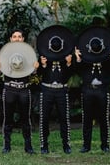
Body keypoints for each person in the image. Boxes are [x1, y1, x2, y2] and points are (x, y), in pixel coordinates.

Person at [0, 29, 39, 154]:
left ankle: (28, 146)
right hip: (9, 89)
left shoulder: (29, 53)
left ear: (23, 39)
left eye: (19, 36)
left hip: (24, 89)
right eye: (14, 36)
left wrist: (35, 68)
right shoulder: (4, 53)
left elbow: (33, 72)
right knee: (8, 119)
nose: (17, 38)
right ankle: (7, 146)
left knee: (26, 119)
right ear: (11, 39)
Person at [74, 26, 110, 153]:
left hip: (103, 90)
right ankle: (86, 146)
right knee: (87, 119)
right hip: (87, 90)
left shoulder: (107, 55)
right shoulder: (85, 55)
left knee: (104, 119)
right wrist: (78, 58)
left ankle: (105, 145)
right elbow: (77, 69)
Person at [36, 25, 75, 154]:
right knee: (44, 118)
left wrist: (69, 63)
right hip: (46, 90)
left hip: (62, 90)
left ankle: (66, 145)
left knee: (64, 118)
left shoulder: (66, 58)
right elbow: (39, 73)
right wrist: (42, 65)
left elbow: (70, 74)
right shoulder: (44, 56)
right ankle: (44, 145)